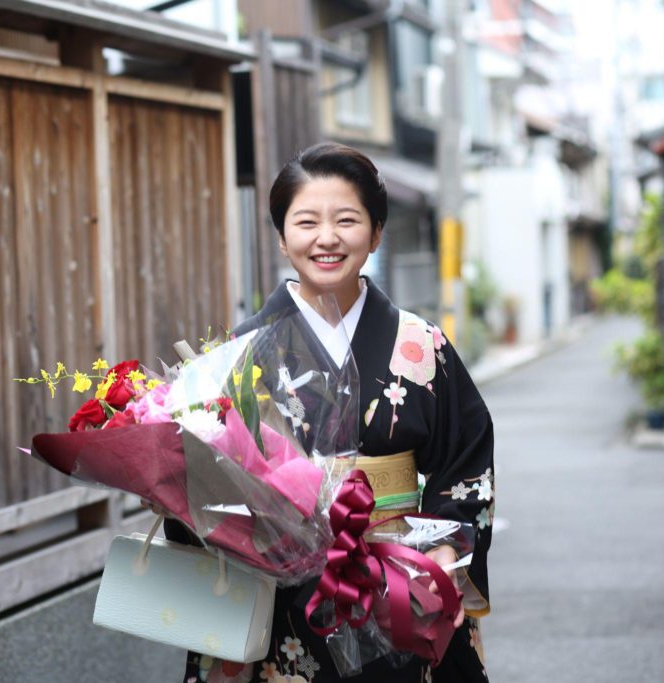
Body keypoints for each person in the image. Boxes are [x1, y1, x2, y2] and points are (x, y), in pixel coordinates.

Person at [179, 142, 494, 682]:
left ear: (375, 233)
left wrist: (444, 554)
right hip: (281, 593)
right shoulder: (241, 352)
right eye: (306, 222)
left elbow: (466, 462)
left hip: (400, 581)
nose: (327, 238)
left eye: (347, 219)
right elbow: (202, 484)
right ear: (282, 238)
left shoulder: (420, 344)